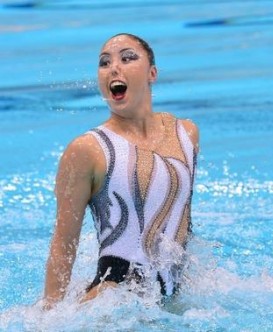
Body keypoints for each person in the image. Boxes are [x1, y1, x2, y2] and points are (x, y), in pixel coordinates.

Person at [43, 33, 199, 308]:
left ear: (152, 73)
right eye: (104, 63)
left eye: (128, 58)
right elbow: (63, 244)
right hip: (113, 304)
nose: (114, 67)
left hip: (172, 301)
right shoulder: (87, 150)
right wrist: (47, 317)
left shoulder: (186, 134)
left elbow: (182, 222)